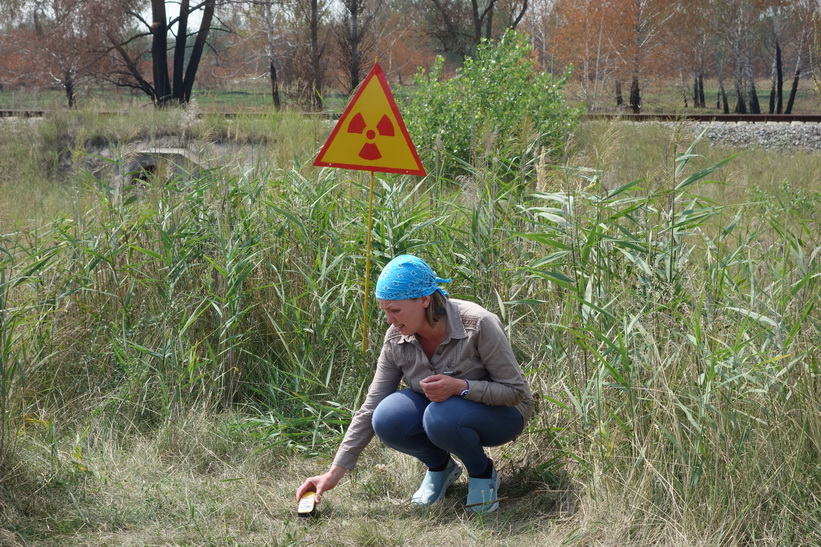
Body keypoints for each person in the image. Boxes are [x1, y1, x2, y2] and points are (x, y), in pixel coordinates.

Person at [296, 254, 534, 513]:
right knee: (387, 417)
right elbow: (371, 407)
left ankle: (482, 472)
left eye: (395, 310)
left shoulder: (478, 323)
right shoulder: (395, 338)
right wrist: (333, 473)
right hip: (443, 413)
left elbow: (516, 391)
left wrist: (460, 386)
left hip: (504, 414)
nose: (389, 320)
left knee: (440, 415)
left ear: (424, 300)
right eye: (384, 310)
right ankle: (441, 468)